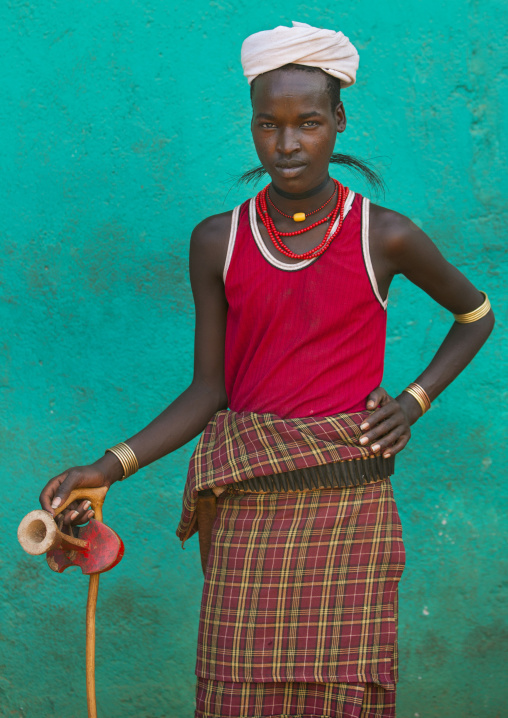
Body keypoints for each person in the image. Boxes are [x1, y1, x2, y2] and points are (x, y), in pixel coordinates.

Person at [39, 21, 494, 718]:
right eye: (268, 124)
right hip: (246, 508)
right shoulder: (217, 242)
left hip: (351, 506)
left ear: (338, 120)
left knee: (346, 692)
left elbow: (477, 316)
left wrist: (414, 401)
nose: (287, 144)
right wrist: (108, 466)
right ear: (250, 127)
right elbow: (210, 390)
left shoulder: (386, 235)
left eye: (309, 122)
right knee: (234, 692)